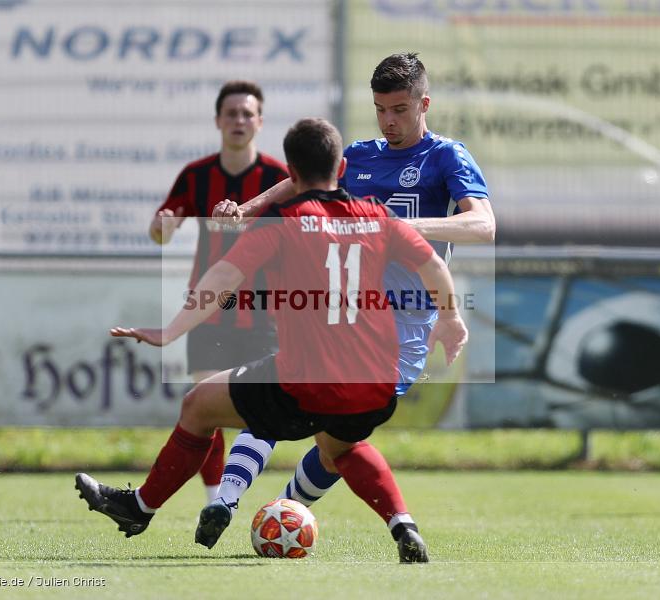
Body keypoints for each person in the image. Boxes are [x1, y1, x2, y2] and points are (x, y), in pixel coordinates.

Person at [76, 117, 468, 563]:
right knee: (342, 445)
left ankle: (139, 508)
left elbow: (222, 277)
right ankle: (404, 526)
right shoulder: (378, 218)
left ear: (292, 174)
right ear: (342, 170)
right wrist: (452, 319)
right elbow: (435, 268)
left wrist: (171, 332)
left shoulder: (284, 222)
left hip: (303, 381)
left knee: (199, 406)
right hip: (373, 384)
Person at [197, 52, 496, 547]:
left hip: (405, 328)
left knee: (339, 440)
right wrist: (246, 209)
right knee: (278, 393)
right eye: (381, 109)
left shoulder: (445, 156)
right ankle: (227, 500)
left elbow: (482, 226)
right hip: (340, 315)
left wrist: (400, 229)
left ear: (425, 103)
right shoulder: (359, 154)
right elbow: (298, 182)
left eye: (400, 108)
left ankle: (285, 509)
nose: (390, 120)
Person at [149, 80, 288, 502]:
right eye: (232, 113)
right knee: (204, 408)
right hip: (208, 313)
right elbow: (162, 227)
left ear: (260, 122)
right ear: (218, 121)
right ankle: (215, 503)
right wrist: (162, 227)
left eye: (248, 113)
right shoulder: (196, 175)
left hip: (263, 313)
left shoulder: (277, 178)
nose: (239, 121)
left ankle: (232, 493)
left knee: (262, 413)